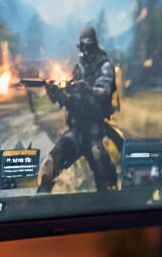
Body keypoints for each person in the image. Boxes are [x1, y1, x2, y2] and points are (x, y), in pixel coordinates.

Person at [37, 25, 120, 192]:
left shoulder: (104, 65)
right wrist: (57, 95)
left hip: (95, 130)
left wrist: (87, 89)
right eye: (83, 47)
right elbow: (70, 101)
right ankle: (39, 204)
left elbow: (104, 92)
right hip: (77, 130)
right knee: (51, 165)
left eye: (88, 46)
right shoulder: (79, 67)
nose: (85, 51)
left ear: (94, 45)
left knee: (105, 175)